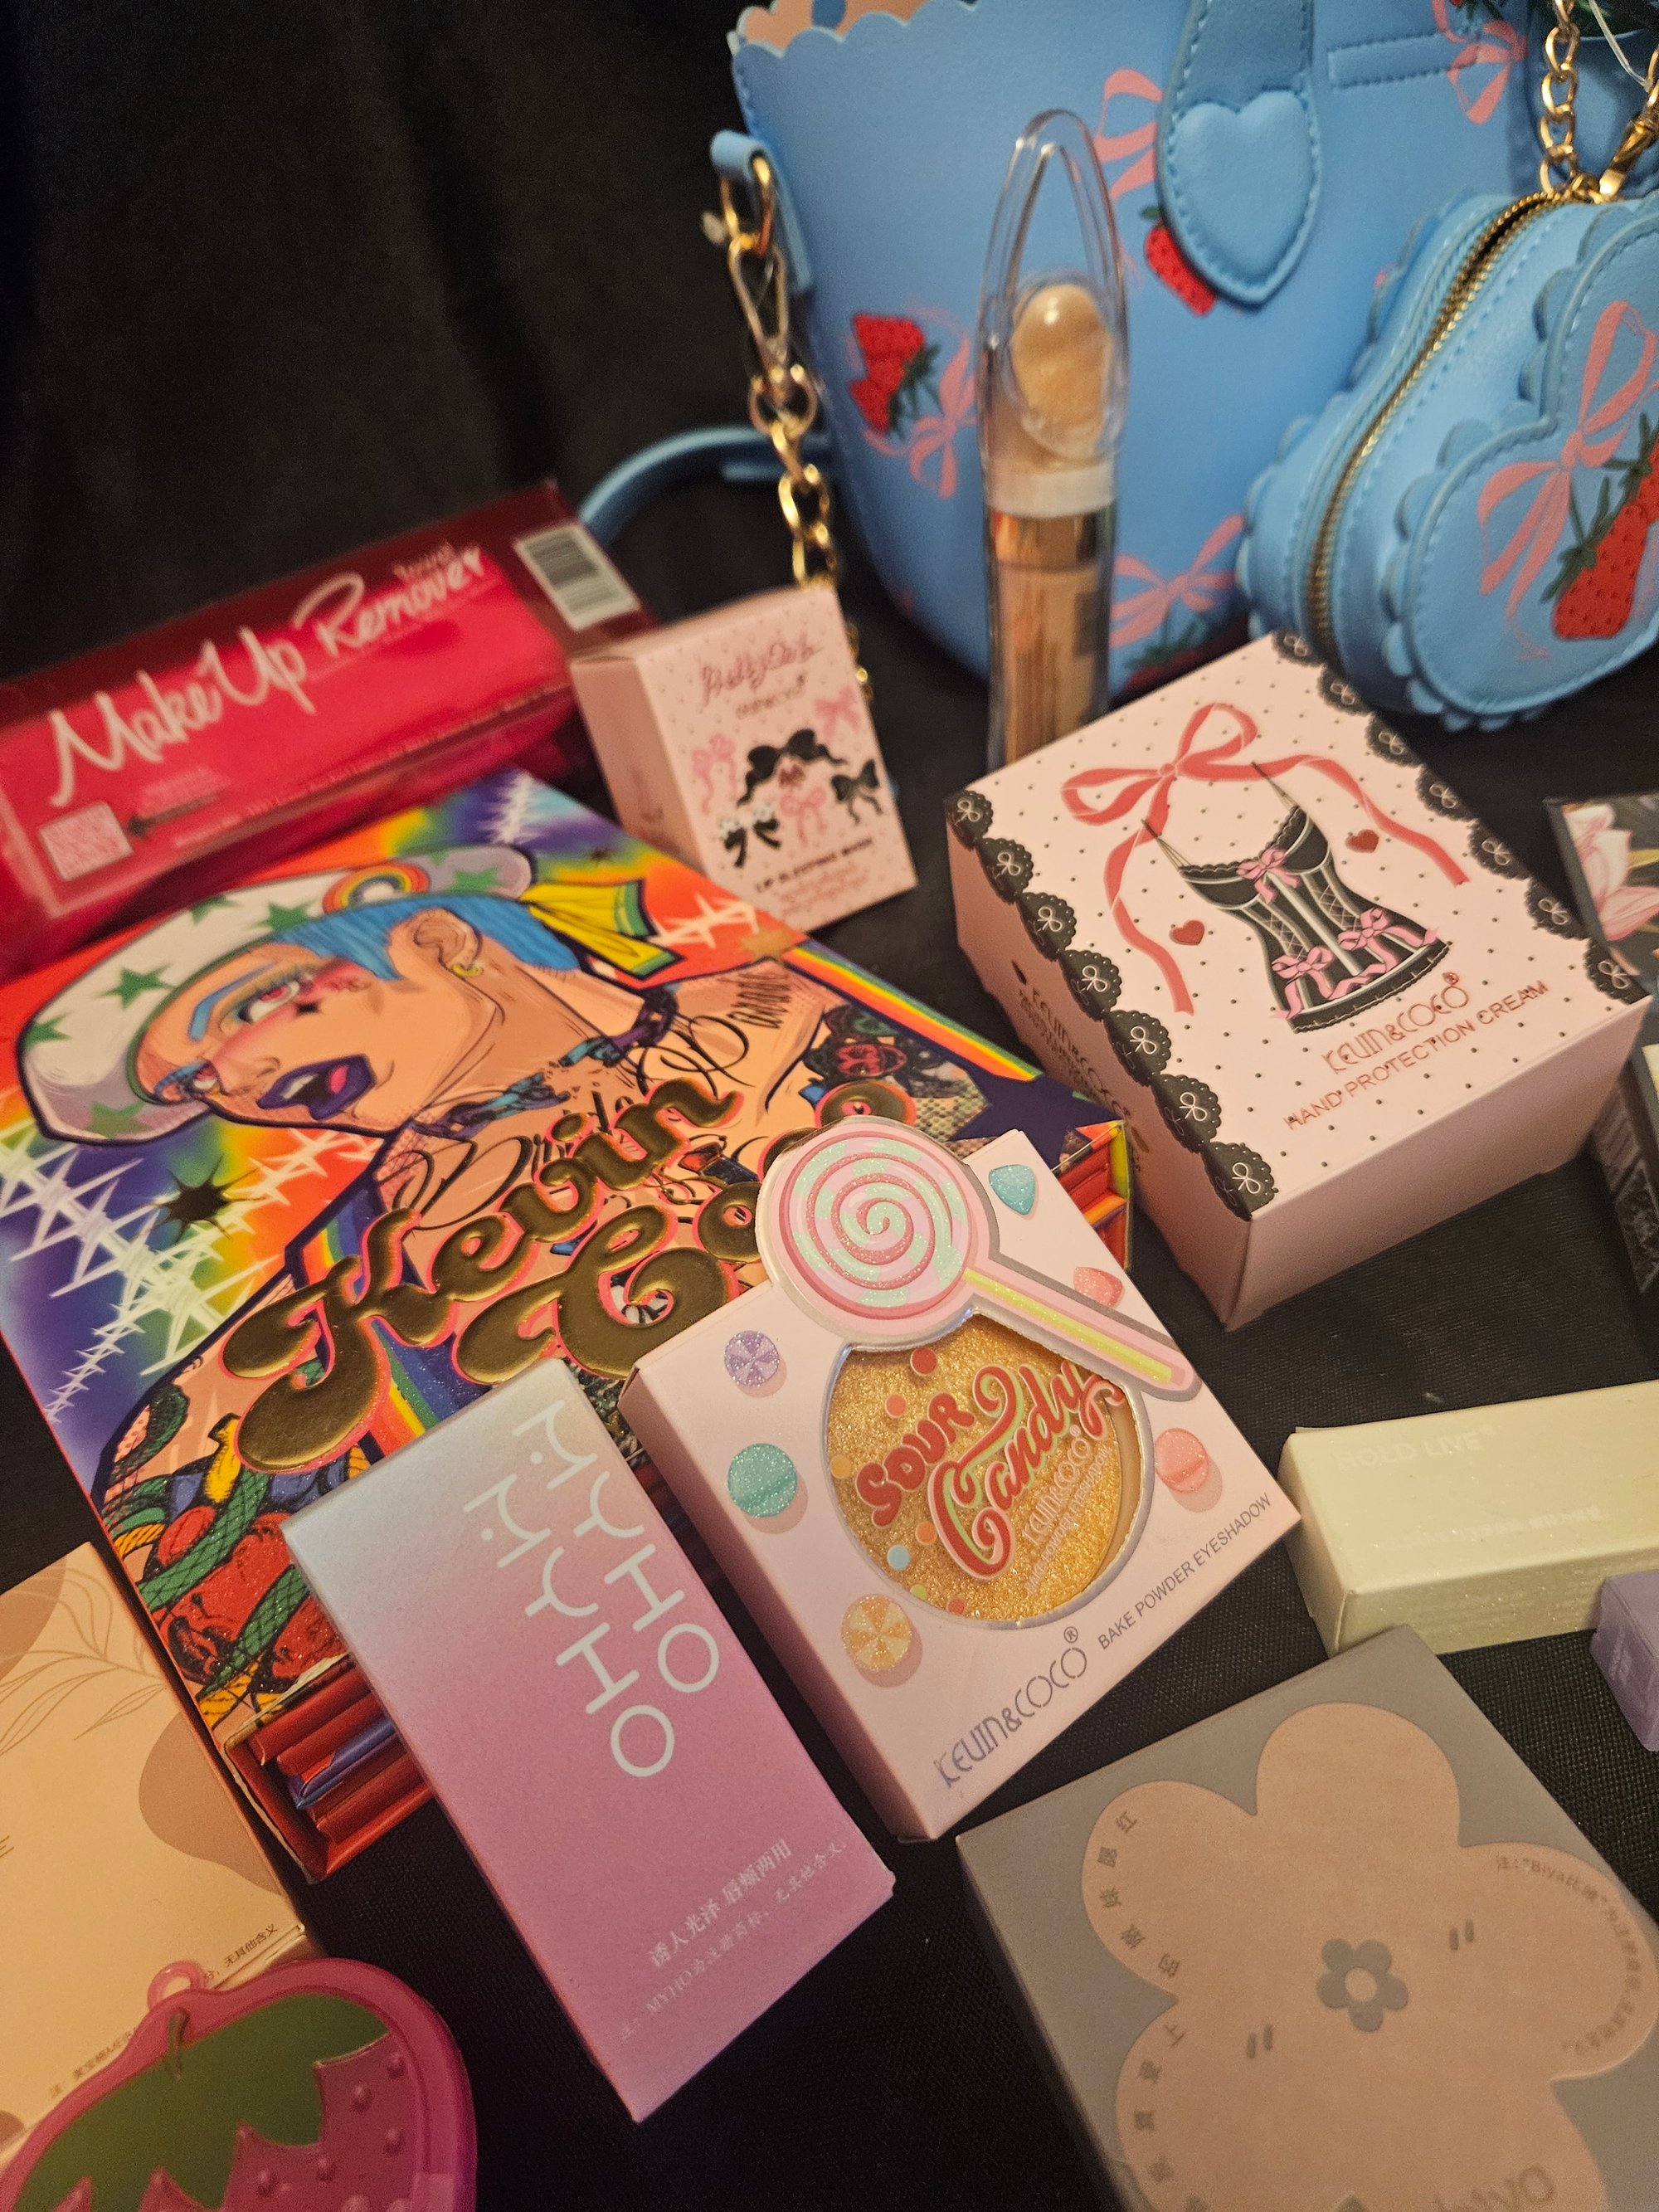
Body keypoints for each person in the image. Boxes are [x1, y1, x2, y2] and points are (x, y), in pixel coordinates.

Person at [22, 838, 854, 1732]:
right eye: (194, 1080)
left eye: (251, 1008)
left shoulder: (798, 1015)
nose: (230, 1079)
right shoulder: (338, 1289)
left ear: (435, 940)